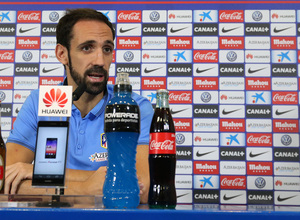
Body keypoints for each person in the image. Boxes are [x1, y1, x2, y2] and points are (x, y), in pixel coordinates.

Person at [5, 8, 153, 204]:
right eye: (87, 48)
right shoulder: (40, 101)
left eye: (107, 49)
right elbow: (6, 181)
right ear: (62, 54)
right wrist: (83, 188)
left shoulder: (132, 107)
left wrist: (37, 173)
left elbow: (138, 188)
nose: (100, 60)